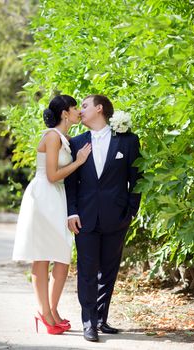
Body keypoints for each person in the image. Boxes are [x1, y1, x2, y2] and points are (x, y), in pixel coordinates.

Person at [12, 95, 91, 335]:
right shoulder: (51, 137)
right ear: (65, 113)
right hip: (44, 197)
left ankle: (52, 310)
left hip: (57, 198)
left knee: (62, 256)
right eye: (75, 107)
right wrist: (78, 162)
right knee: (43, 255)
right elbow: (52, 176)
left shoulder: (65, 138)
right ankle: (45, 313)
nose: (78, 111)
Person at [65, 94, 141, 342]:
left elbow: (136, 179)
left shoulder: (128, 141)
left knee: (108, 270)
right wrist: (72, 211)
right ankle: (89, 323)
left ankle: (101, 319)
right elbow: (71, 183)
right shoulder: (75, 143)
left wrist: (131, 211)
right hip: (84, 217)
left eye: (84, 106)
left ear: (99, 109)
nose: (81, 111)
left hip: (117, 216)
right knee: (87, 271)